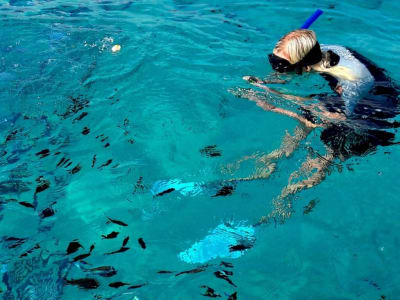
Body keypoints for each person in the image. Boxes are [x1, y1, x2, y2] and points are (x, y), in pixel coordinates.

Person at [228, 29, 399, 225]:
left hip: (378, 108)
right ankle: (279, 155)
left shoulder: (353, 82)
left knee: (331, 143)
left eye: (281, 66)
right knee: (311, 108)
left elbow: (334, 119)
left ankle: (287, 197)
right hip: (353, 99)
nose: (276, 69)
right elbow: (291, 77)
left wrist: (274, 104)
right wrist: (268, 82)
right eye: (273, 61)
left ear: (306, 67)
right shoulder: (317, 52)